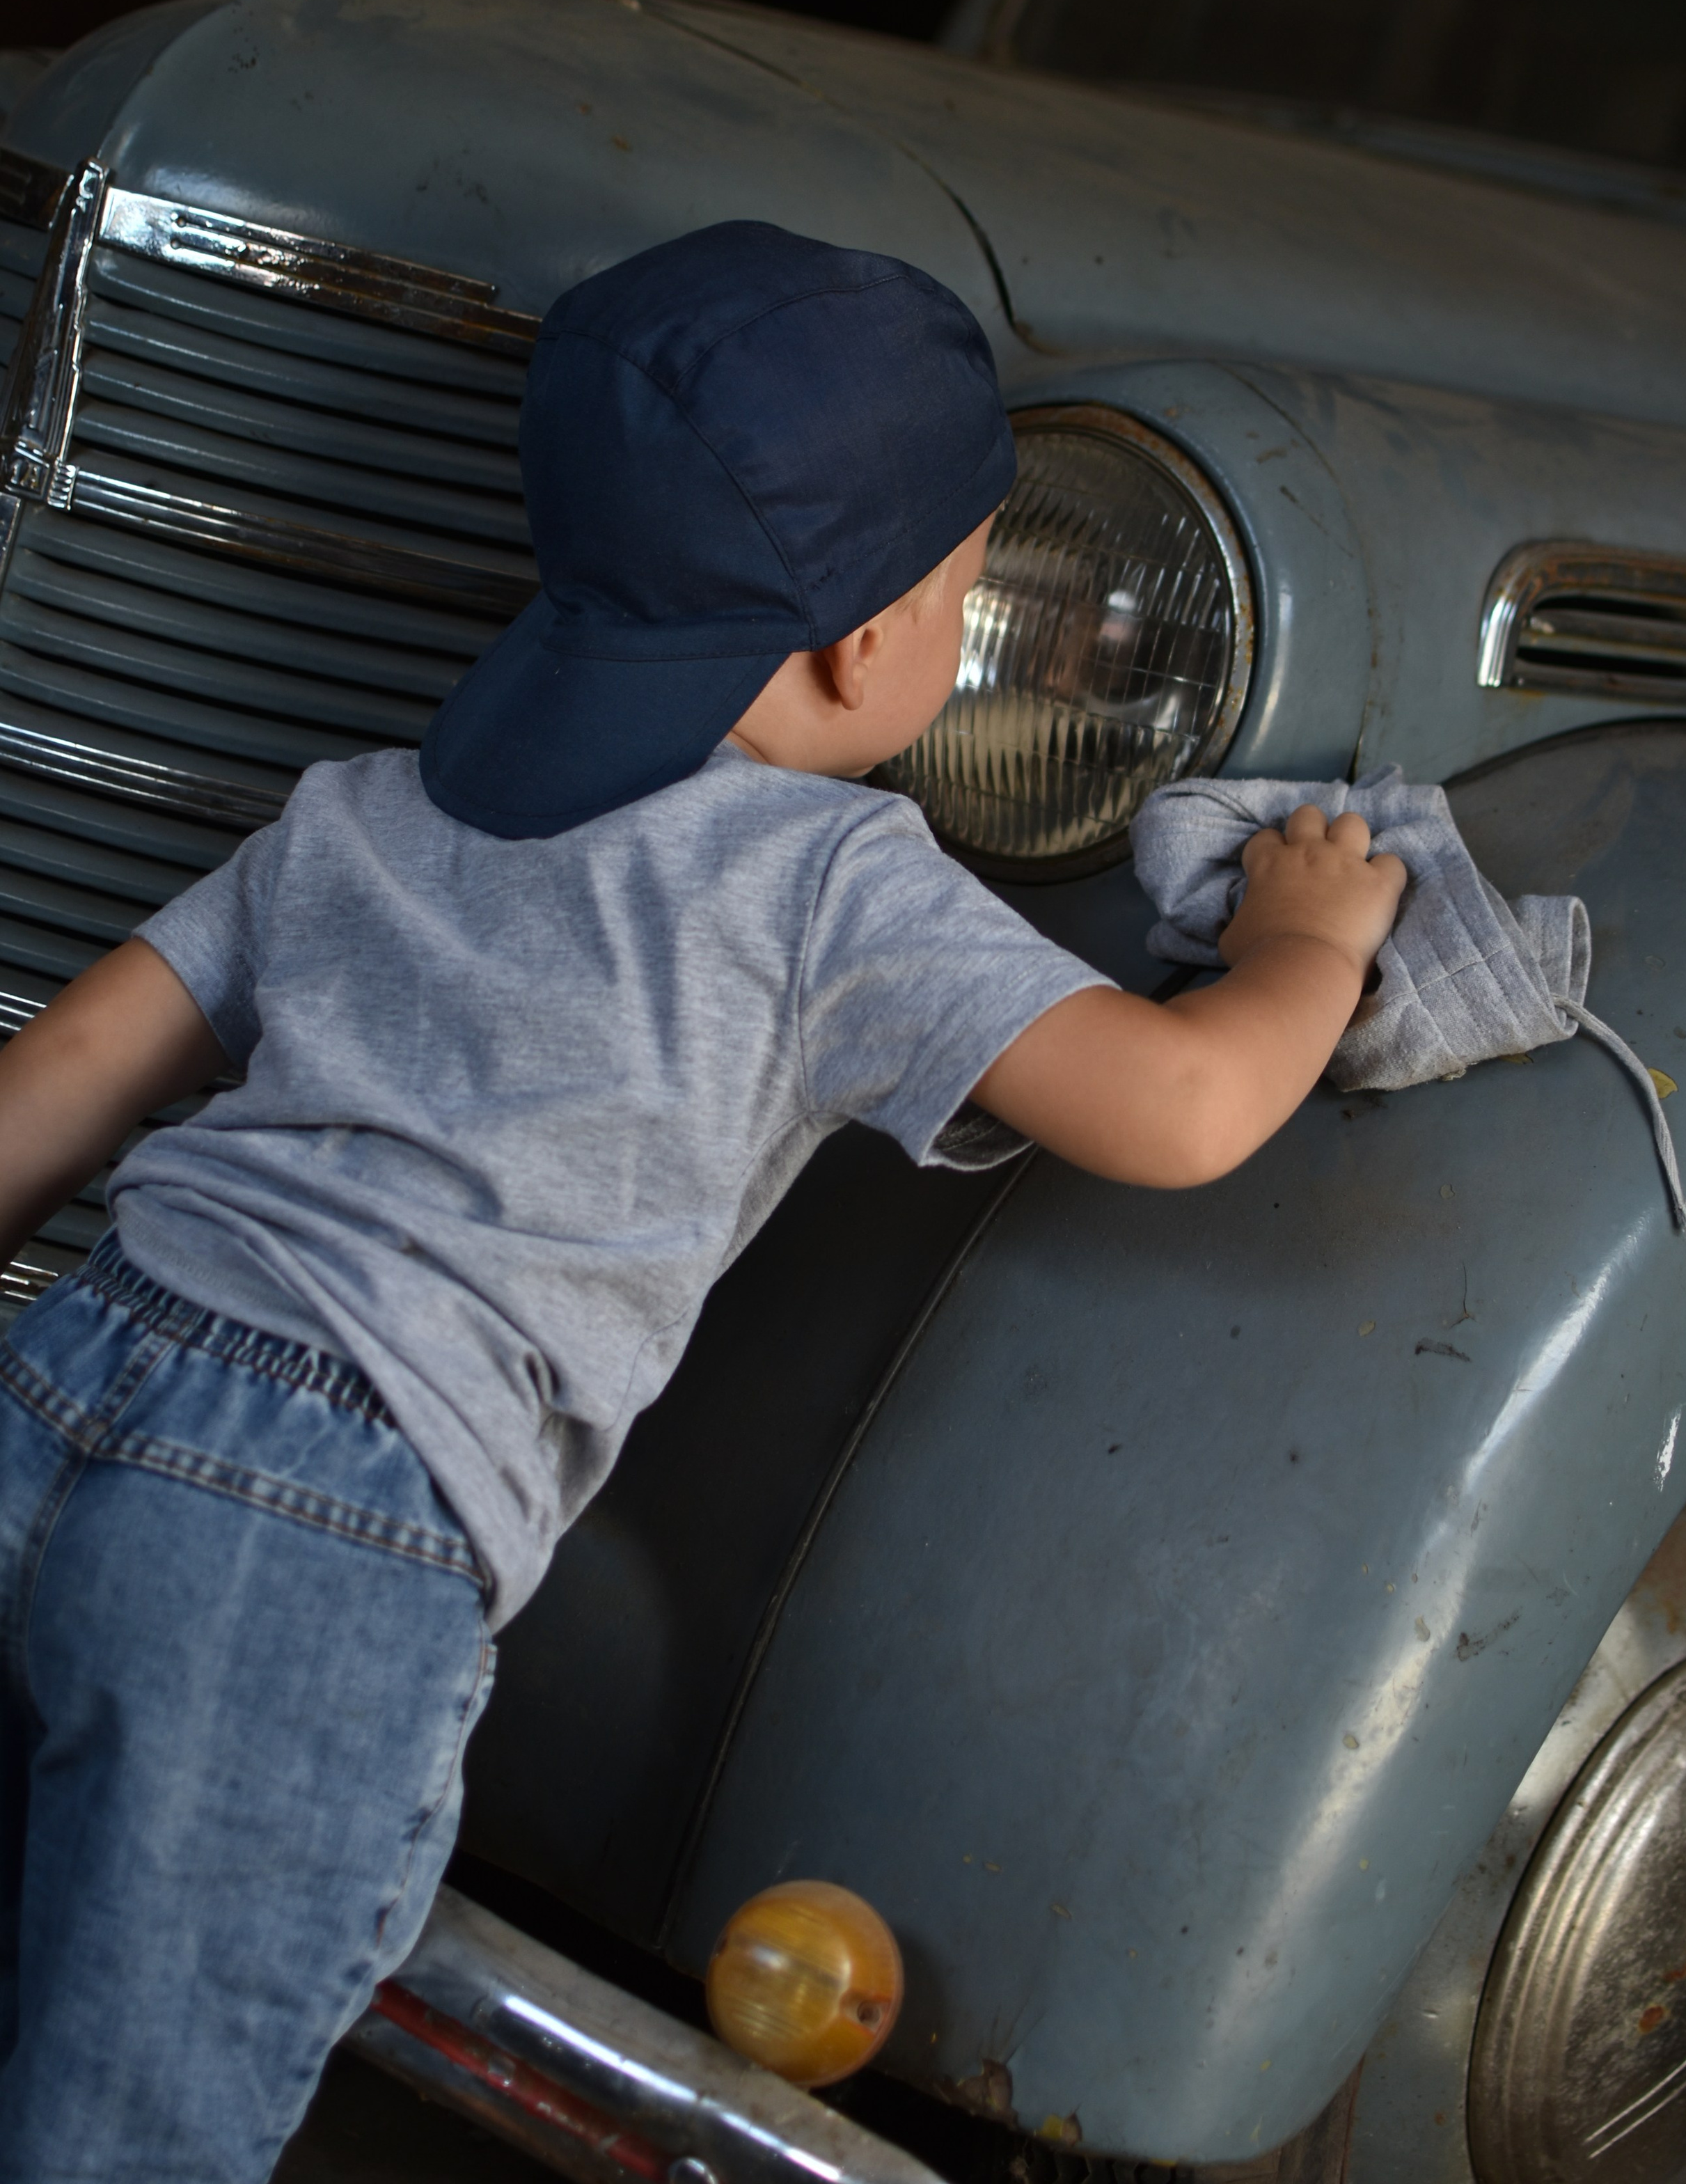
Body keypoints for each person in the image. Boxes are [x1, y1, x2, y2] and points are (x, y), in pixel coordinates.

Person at [0, 221, 1403, 2184]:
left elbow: (46, 1096)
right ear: (866, 645)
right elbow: (1176, 1110)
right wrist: (1314, 945)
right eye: (972, 590)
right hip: (317, 1519)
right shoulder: (828, 883)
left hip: (73, 1377)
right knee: (136, 2121)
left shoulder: (370, 804)